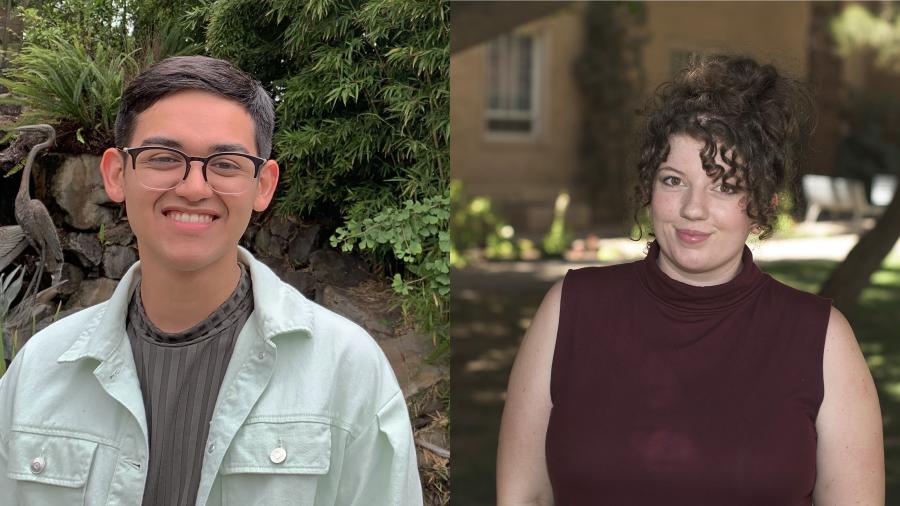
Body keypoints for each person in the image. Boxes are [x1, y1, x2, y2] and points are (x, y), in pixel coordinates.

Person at [0, 55, 423, 505]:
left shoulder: (346, 370)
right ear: (116, 174)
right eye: (163, 157)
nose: (195, 187)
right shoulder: (39, 370)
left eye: (226, 163)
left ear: (263, 185)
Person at [497, 55, 884, 505]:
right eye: (674, 180)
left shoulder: (822, 340)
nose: (693, 209)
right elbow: (524, 496)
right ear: (649, 188)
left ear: (761, 203)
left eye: (725, 186)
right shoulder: (569, 310)